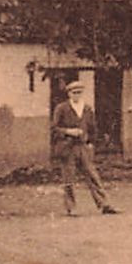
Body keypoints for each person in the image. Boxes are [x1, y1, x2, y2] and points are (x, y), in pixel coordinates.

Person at [50, 78, 118, 216]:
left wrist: (91, 143)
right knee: (68, 179)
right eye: (74, 92)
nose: (76, 95)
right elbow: (54, 128)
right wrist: (69, 131)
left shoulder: (87, 109)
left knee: (93, 176)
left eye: (79, 92)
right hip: (67, 147)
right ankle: (71, 207)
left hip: (82, 147)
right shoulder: (61, 108)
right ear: (69, 93)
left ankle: (104, 204)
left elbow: (93, 128)